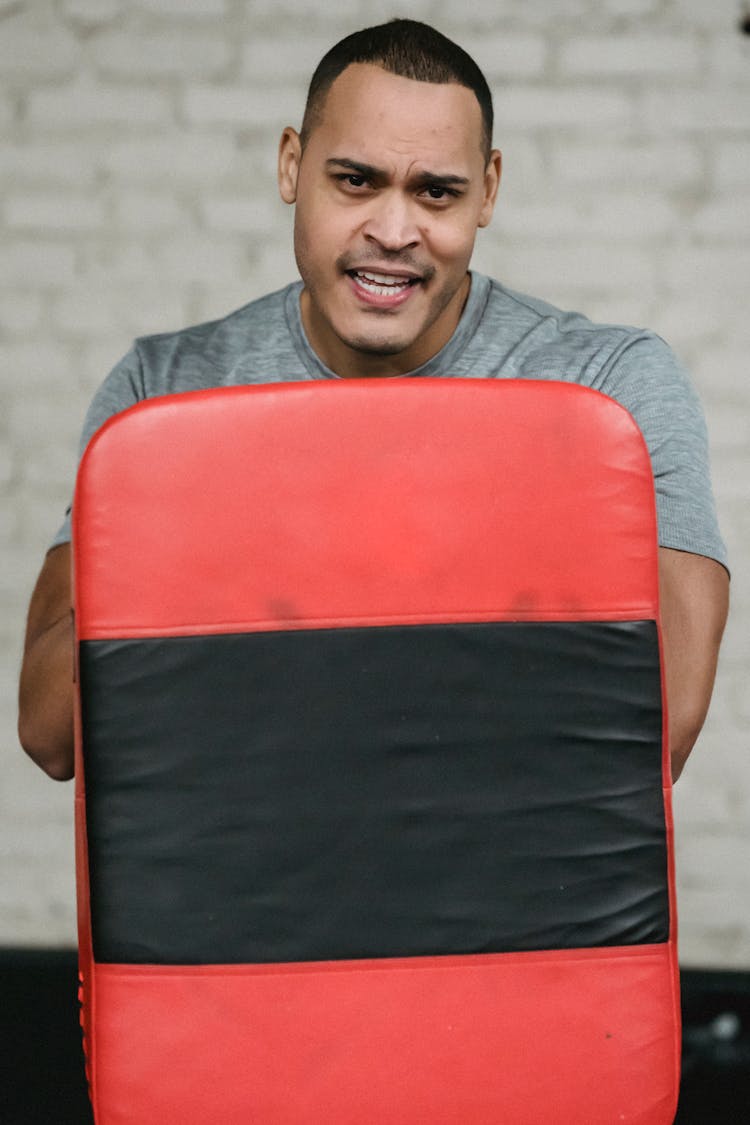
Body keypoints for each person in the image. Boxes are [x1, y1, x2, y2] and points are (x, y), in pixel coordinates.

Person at [19, 18, 728, 784]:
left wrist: (219, 599)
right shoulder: (162, 389)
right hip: (236, 891)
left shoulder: (609, 385)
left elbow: (660, 721)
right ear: (292, 165)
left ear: (487, 190)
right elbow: (51, 732)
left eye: (437, 192)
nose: (394, 230)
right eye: (354, 180)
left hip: (511, 895)